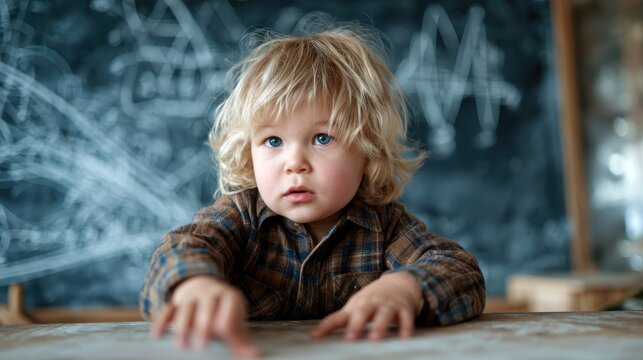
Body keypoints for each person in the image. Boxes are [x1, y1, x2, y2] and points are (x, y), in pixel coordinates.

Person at [140, 26, 485, 358]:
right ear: (249, 151)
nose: (295, 163)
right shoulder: (241, 217)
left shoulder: (386, 227)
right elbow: (183, 248)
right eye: (273, 141)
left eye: (322, 138)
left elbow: (459, 270)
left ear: (367, 150)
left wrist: (406, 289)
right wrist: (193, 284)